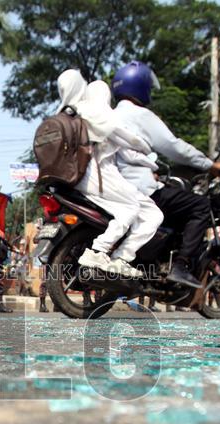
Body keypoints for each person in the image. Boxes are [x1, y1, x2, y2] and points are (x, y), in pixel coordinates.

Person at [110, 61, 220, 288]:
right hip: (140, 191)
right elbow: (174, 147)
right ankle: (181, 266)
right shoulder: (140, 115)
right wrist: (210, 165)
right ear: (140, 86)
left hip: (114, 190)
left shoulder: (108, 116)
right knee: (200, 206)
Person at [56, 70, 158, 280]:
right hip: (98, 175)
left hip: (78, 178)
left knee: (152, 214)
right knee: (131, 207)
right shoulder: (97, 112)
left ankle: (121, 257)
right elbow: (132, 141)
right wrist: (148, 148)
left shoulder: (67, 113)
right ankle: (103, 252)